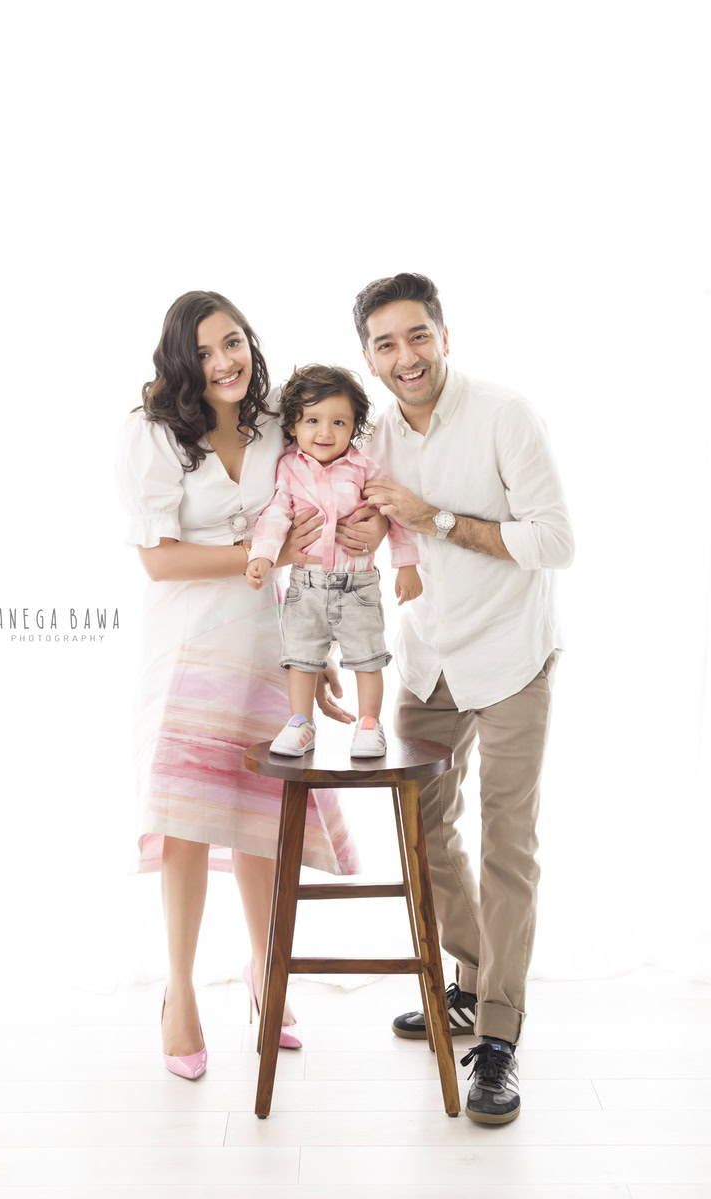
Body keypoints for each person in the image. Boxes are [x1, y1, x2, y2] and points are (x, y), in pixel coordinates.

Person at [115, 291, 385, 1080]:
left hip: (271, 635)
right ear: (179, 361)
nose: (224, 361)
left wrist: (318, 641)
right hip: (188, 639)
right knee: (189, 820)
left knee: (262, 814)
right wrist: (259, 556)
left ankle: (267, 977)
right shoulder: (152, 433)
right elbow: (158, 558)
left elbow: (325, 509)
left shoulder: (276, 420)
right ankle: (180, 992)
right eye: (203, 351)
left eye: (232, 342)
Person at [354, 272, 574, 1125]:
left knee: (507, 842)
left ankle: (500, 1039)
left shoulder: (504, 414)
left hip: (513, 655)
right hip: (427, 662)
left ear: (444, 334)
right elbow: (353, 514)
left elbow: (556, 540)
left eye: (417, 336)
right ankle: (474, 980)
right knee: (424, 833)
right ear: (368, 355)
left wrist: (434, 517)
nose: (404, 357)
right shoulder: (372, 435)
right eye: (385, 343)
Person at [245, 363, 422, 758]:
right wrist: (262, 556)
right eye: (312, 420)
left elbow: (392, 514)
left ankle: (369, 724)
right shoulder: (288, 469)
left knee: (367, 658)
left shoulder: (364, 469)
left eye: (338, 422)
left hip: (357, 585)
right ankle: (300, 723)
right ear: (293, 425)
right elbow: (275, 515)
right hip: (305, 586)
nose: (325, 432)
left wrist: (406, 565)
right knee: (302, 659)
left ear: (354, 425)